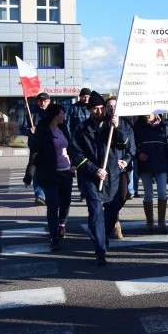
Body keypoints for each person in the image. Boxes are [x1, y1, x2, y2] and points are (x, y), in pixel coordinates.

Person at [69, 91, 130, 265]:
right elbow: (77, 155)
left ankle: (104, 236)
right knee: (96, 213)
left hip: (112, 175)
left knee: (112, 212)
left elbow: (124, 144)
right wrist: (93, 169)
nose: (99, 111)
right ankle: (100, 250)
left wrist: (117, 128)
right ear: (89, 110)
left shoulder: (112, 125)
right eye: (95, 108)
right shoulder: (81, 128)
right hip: (91, 177)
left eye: (101, 108)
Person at [23, 104, 73, 250]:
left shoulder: (63, 129)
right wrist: (29, 174)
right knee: (53, 206)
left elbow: (70, 148)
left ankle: (62, 224)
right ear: (55, 115)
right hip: (50, 174)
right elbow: (35, 154)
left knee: (66, 202)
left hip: (66, 173)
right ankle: (54, 237)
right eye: (62, 114)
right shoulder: (42, 131)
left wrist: (74, 164)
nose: (64, 116)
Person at [134, 112, 168, 234]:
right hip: (145, 166)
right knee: (148, 193)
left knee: (162, 192)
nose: (146, 115)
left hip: (161, 166)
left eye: (149, 113)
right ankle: (149, 222)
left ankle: (161, 221)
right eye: (144, 113)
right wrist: (138, 153)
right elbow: (132, 144)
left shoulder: (164, 129)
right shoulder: (138, 128)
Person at [106, 97, 135, 240]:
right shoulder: (103, 124)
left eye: (115, 106)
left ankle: (111, 218)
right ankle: (115, 223)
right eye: (109, 106)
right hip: (109, 168)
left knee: (123, 196)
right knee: (111, 199)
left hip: (123, 168)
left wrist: (127, 160)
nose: (112, 108)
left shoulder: (125, 124)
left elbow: (131, 147)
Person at [21, 92, 51, 205]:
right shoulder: (31, 113)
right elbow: (23, 128)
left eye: (45, 100)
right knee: (37, 169)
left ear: (49, 101)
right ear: (37, 101)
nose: (42, 103)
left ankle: (50, 193)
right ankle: (40, 195)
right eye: (40, 101)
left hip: (51, 145)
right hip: (35, 144)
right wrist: (30, 131)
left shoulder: (53, 113)